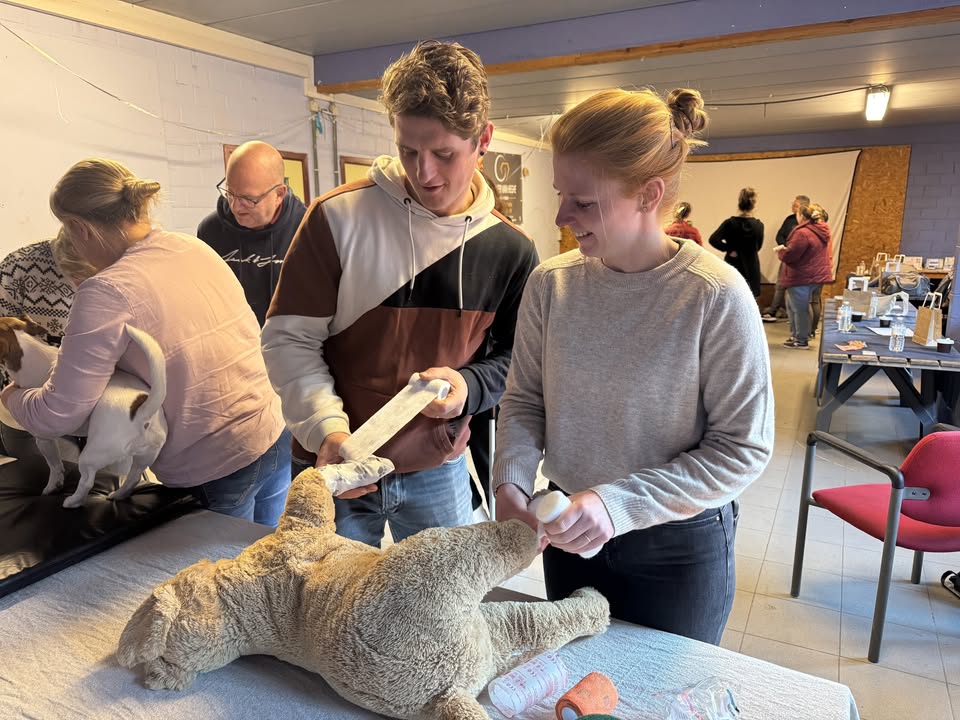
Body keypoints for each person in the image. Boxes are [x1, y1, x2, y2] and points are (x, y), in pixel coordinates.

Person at [492, 88, 774, 645]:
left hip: (676, 547)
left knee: (668, 689)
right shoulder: (551, 284)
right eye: (561, 195)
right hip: (567, 536)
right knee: (574, 680)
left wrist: (615, 504)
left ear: (649, 194)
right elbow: (524, 400)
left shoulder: (714, 295)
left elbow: (743, 448)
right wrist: (510, 482)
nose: (562, 216)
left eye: (583, 202)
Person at [261, 40, 540, 547]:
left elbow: (519, 361)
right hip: (335, 462)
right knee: (327, 592)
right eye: (408, 150)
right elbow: (288, 340)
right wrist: (327, 430)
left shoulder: (510, 249)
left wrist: (468, 386)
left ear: (483, 139)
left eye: (444, 154)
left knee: (443, 594)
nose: (424, 172)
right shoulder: (335, 218)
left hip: (438, 467)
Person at [1, 158, 291, 527]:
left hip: (214, 462)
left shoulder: (105, 291)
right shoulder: (192, 246)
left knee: (228, 565)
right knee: (272, 551)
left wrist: (12, 396)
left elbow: (57, 415)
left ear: (79, 228)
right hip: (273, 432)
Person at [197, 141, 306, 326]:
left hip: (290, 339)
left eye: (248, 199)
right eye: (230, 193)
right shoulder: (210, 232)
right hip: (234, 339)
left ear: (279, 194)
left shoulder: (307, 230)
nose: (235, 207)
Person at [0, 239, 76, 458]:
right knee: (62, 470)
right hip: (31, 408)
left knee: (109, 472)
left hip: (104, 406)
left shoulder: (126, 268)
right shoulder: (17, 268)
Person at [776, 202, 833, 349]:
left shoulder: (802, 233)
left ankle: (801, 339)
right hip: (816, 275)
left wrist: (781, 252)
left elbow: (791, 254)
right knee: (800, 305)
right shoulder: (822, 230)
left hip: (801, 276)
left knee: (799, 309)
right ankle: (799, 335)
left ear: (801, 216)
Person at [708, 187, 764, 297]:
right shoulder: (759, 225)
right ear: (754, 205)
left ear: (739, 203)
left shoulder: (730, 223)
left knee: (731, 297)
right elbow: (758, 246)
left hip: (733, 266)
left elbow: (713, 239)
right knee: (751, 299)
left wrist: (729, 249)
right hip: (751, 267)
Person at [762, 194, 809, 322]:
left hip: (800, 261)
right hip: (787, 257)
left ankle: (794, 314)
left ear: (803, 207)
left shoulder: (808, 224)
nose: (792, 207)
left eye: (795, 205)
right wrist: (785, 247)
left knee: (796, 288)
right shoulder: (789, 219)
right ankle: (773, 310)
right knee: (780, 284)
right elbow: (780, 235)